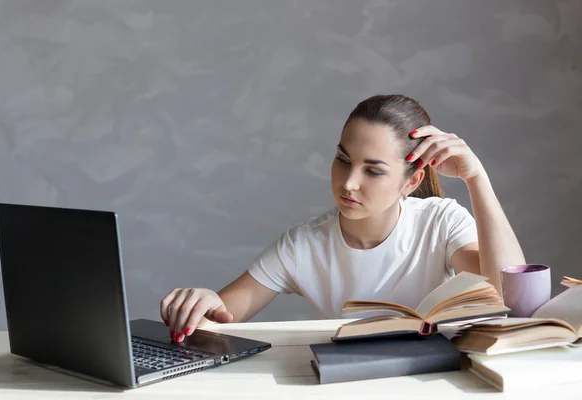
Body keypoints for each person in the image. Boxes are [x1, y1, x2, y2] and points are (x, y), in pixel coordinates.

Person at [160, 94, 525, 343]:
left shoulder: (439, 222)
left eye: (374, 171)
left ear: (412, 181)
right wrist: (201, 303)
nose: (349, 183)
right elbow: (217, 321)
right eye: (343, 160)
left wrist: (476, 178)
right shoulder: (304, 245)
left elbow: (509, 293)